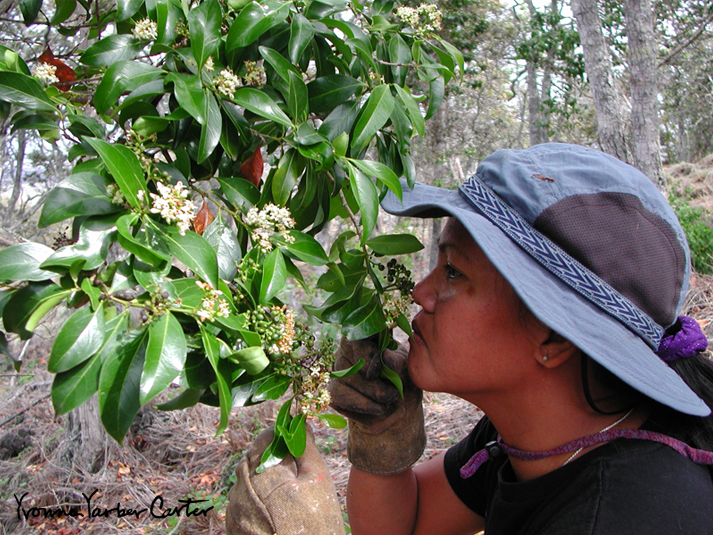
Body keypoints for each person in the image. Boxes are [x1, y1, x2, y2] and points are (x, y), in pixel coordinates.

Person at [226, 143, 713, 535]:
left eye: (454, 272)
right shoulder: (540, 435)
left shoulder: (626, 515)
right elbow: (411, 523)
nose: (421, 291)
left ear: (554, 336)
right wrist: (383, 440)